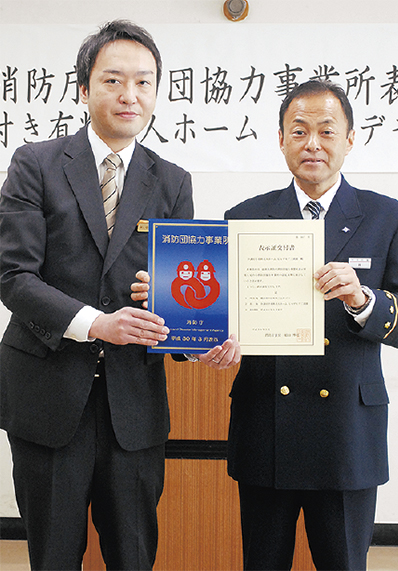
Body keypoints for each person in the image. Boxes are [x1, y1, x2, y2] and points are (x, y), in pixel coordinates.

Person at [0, 20, 239, 571]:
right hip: (48, 395)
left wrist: (197, 338)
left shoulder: (172, 180)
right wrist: (95, 323)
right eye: (113, 80)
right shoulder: (36, 163)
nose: (130, 95)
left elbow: (180, 288)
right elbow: (14, 277)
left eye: (144, 82)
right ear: (84, 88)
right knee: (54, 556)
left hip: (134, 402)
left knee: (133, 555)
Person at [224, 80, 398, 571]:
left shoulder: (386, 216)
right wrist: (205, 335)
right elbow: (221, 312)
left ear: (350, 139)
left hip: (346, 433)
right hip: (267, 427)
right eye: (299, 131)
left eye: (326, 130)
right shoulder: (244, 218)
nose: (313, 144)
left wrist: (363, 300)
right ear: (281, 140)